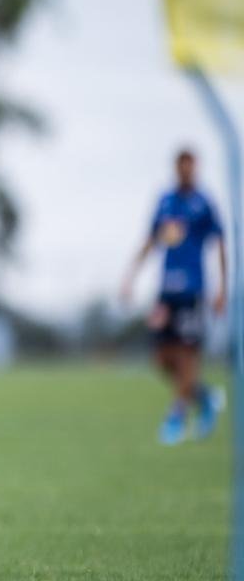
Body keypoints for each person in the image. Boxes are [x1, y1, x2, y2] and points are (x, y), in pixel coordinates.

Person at [122, 148, 227, 445]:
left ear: (196, 168)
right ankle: (204, 397)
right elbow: (151, 240)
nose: (186, 171)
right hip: (166, 292)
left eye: (190, 166)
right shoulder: (166, 201)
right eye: (182, 166)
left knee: (186, 355)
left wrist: (222, 289)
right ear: (176, 168)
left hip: (193, 291)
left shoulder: (204, 203)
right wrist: (130, 276)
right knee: (162, 358)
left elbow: (219, 243)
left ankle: (176, 417)